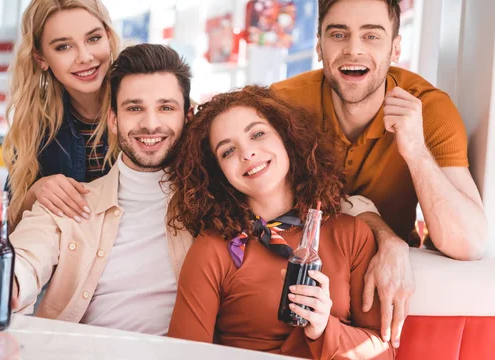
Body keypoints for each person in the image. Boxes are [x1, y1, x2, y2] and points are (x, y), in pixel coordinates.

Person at [271, 0, 488, 348]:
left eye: (372, 36)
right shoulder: (283, 105)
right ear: (319, 46)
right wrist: (386, 236)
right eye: (339, 34)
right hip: (289, 291)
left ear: (396, 47)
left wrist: (416, 152)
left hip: (374, 310)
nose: (353, 49)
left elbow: (470, 243)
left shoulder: (430, 110)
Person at [0, 44, 193, 335]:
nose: (150, 124)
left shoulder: (213, 205)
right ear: (113, 120)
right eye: (134, 108)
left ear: (188, 115)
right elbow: (27, 257)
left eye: (166, 107)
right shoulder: (68, 203)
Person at [166, 86, 395, 359]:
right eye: (227, 151)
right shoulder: (212, 249)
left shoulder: (352, 234)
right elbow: (182, 354)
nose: (247, 153)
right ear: (218, 172)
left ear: (286, 137)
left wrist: (323, 329)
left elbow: (384, 352)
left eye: (258, 134)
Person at [2, 0, 121, 225]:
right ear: (41, 58)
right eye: (63, 47)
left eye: (94, 38)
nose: (85, 57)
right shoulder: (37, 124)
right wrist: (36, 191)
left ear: (108, 38)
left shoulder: (150, 103)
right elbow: (7, 225)